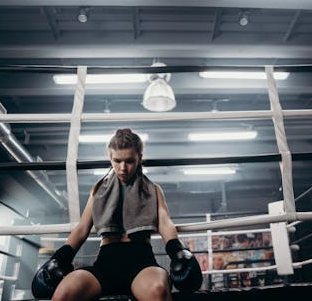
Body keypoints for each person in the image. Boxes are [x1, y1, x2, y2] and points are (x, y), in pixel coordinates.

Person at [31, 128, 202, 300]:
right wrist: (59, 258)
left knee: (157, 291)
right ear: (110, 158)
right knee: (63, 293)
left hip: (142, 264)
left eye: (129, 161)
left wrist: (178, 252)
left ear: (139, 158)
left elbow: (165, 223)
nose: (122, 168)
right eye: (117, 161)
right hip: (105, 264)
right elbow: (82, 228)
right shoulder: (98, 191)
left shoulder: (153, 190)